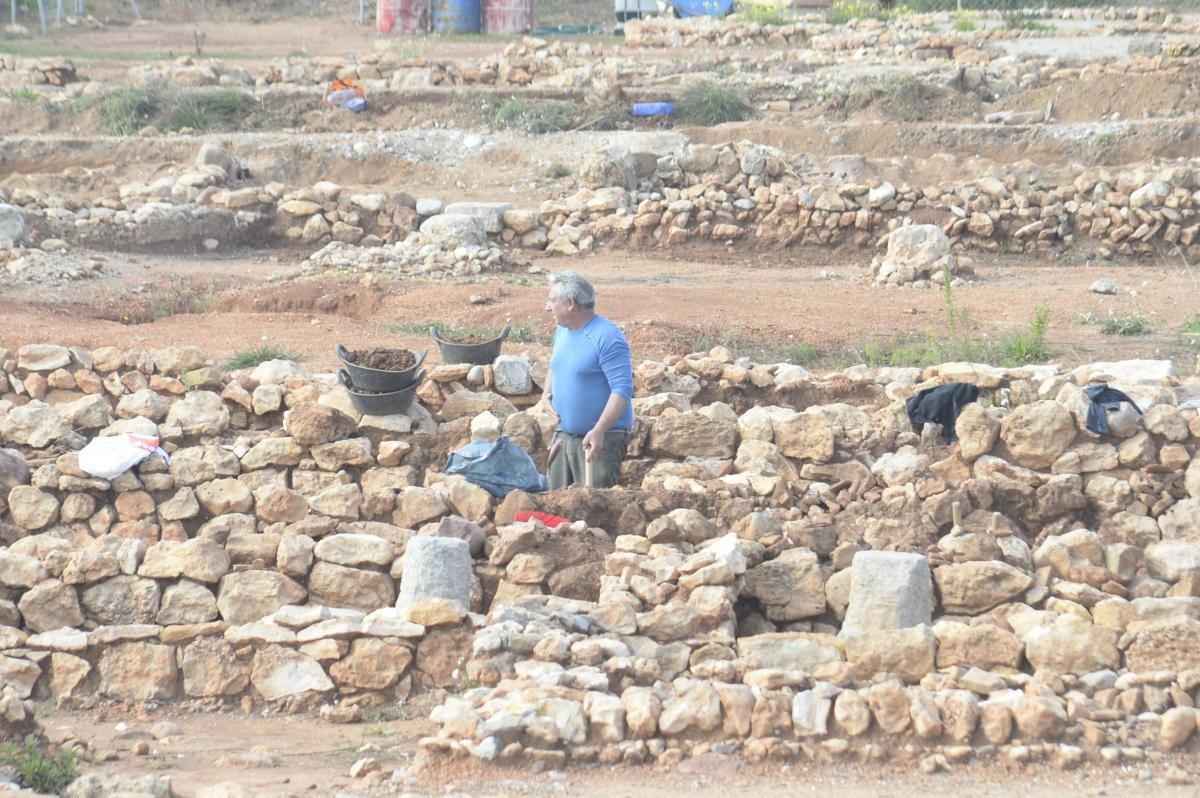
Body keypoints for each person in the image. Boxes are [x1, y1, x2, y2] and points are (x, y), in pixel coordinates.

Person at [541, 271, 634, 490]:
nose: (548, 307)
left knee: (592, 513)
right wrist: (546, 395)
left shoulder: (607, 337)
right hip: (564, 436)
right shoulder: (562, 331)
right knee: (558, 508)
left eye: (552, 301)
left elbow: (621, 391)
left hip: (599, 441)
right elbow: (556, 365)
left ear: (571, 304)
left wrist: (600, 429)